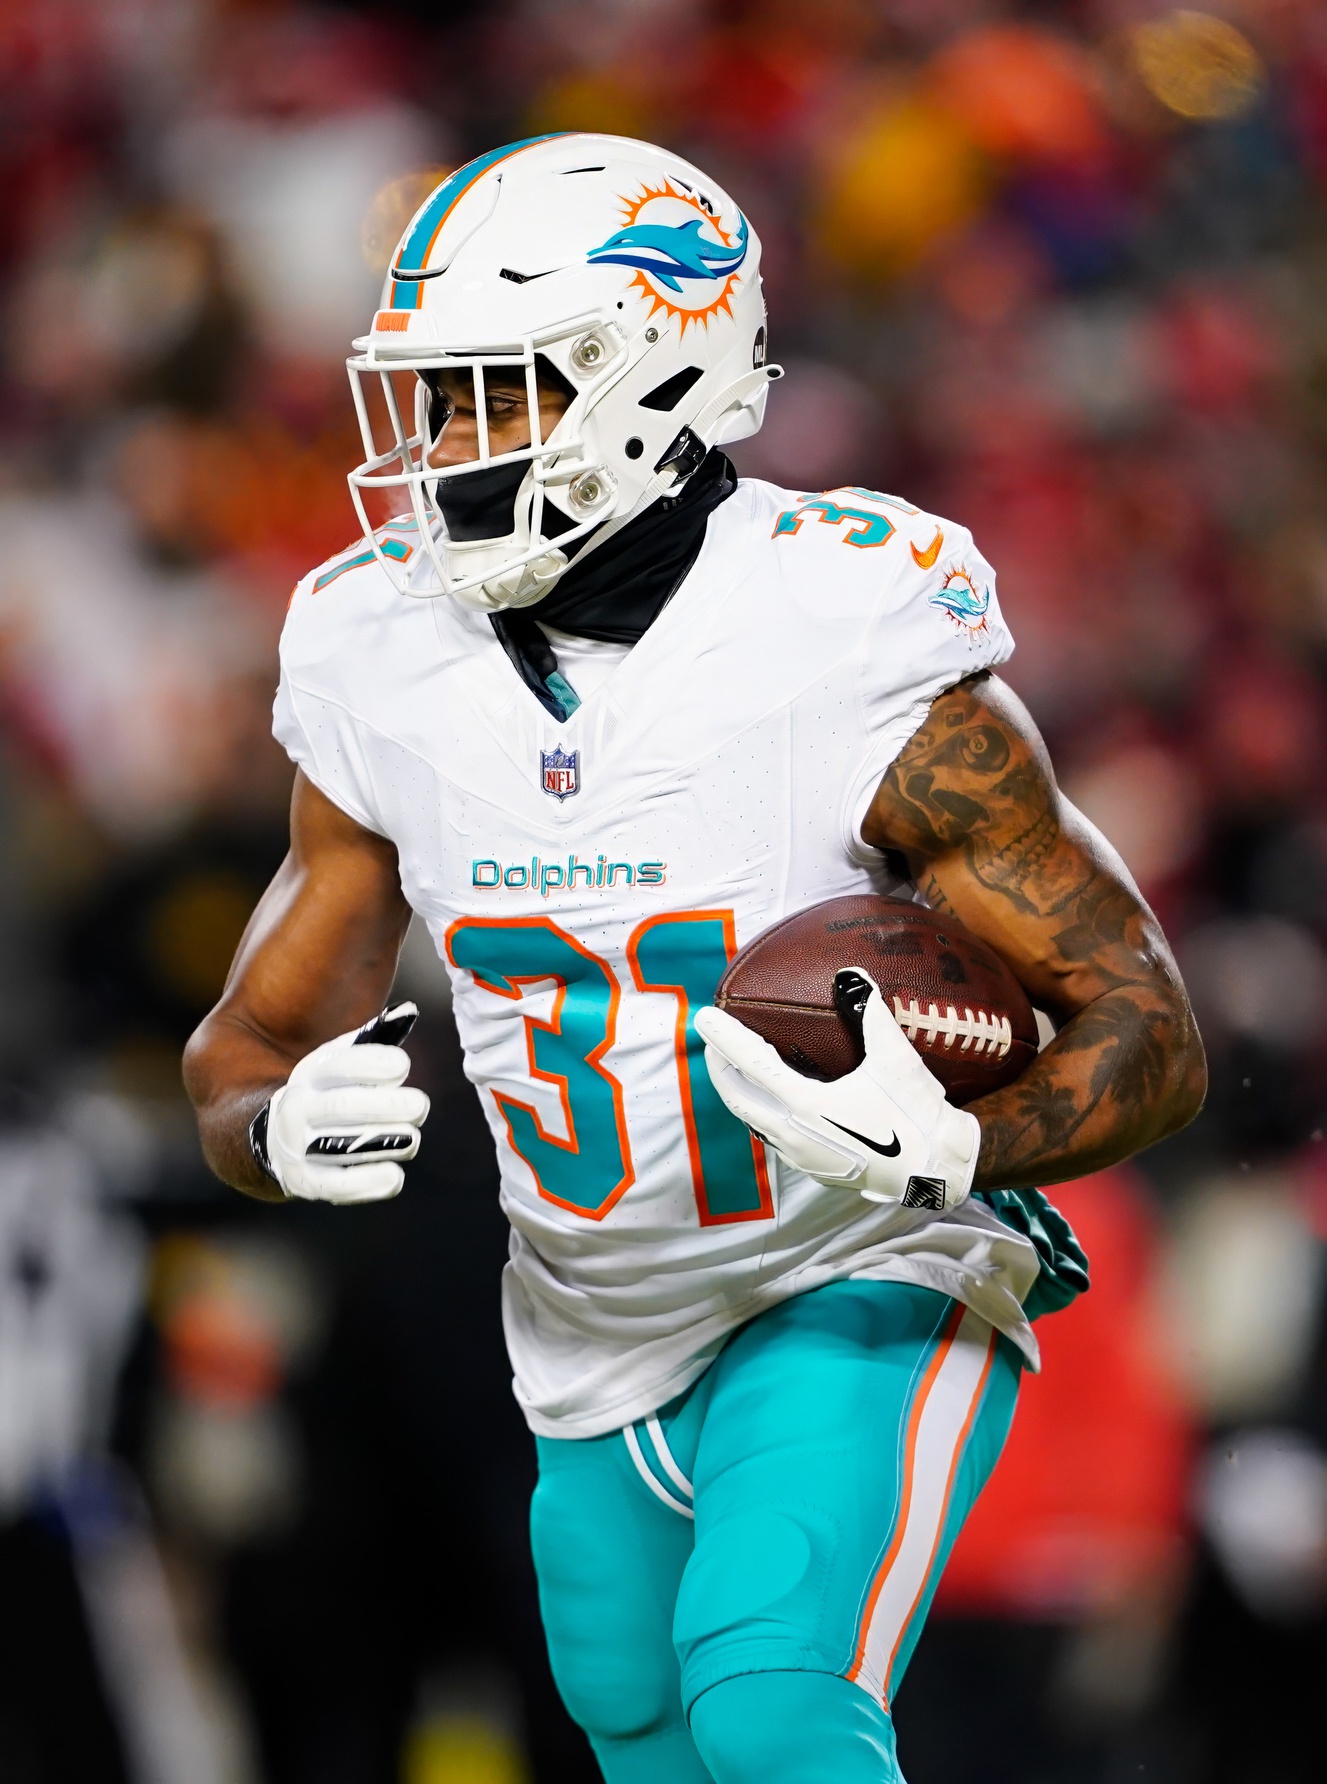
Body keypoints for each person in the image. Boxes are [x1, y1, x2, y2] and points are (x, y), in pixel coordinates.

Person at [184, 133, 1206, 1784]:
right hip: (584, 1328)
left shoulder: (843, 632)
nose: (446, 449)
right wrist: (273, 1131)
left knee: (775, 1696)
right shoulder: (376, 653)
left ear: (659, 380)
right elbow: (244, 1049)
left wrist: (958, 1147)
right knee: (644, 1737)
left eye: (499, 391)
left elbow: (1146, 1028)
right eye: (432, 401)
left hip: (849, 1274)